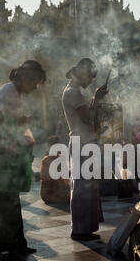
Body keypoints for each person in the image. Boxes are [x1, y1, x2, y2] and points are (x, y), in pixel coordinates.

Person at [0, 60, 46, 258]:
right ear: (26, 77)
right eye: (34, 83)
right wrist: (17, 121)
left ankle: (14, 244)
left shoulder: (14, 93)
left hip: (2, 156)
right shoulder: (8, 91)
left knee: (9, 201)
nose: (34, 88)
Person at [62, 58, 108, 241]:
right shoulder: (73, 93)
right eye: (89, 76)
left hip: (85, 142)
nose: (90, 81)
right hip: (82, 144)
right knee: (83, 187)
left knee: (87, 186)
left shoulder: (75, 92)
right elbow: (88, 118)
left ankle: (85, 228)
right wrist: (96, 99)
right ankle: (80, 229)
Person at [40, 135, 70, 205]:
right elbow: (63, 180)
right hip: (53, 195)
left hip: (45, 195)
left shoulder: (45, 159)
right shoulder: (52, 160)